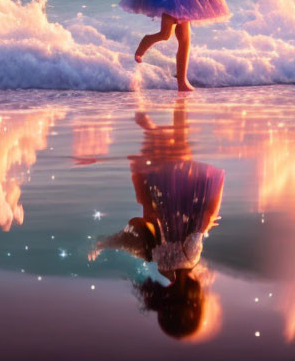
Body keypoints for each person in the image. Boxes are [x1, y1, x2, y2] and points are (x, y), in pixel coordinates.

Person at [90, 99, 224, 339]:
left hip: (179, 192)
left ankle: (171, 102)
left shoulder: (190, 259)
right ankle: (148, 112)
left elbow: (203, 221)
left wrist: (212, 198)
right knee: (166, 147)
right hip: (163, 198)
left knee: (178, 139)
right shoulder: (162, 267)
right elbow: (151, 224)